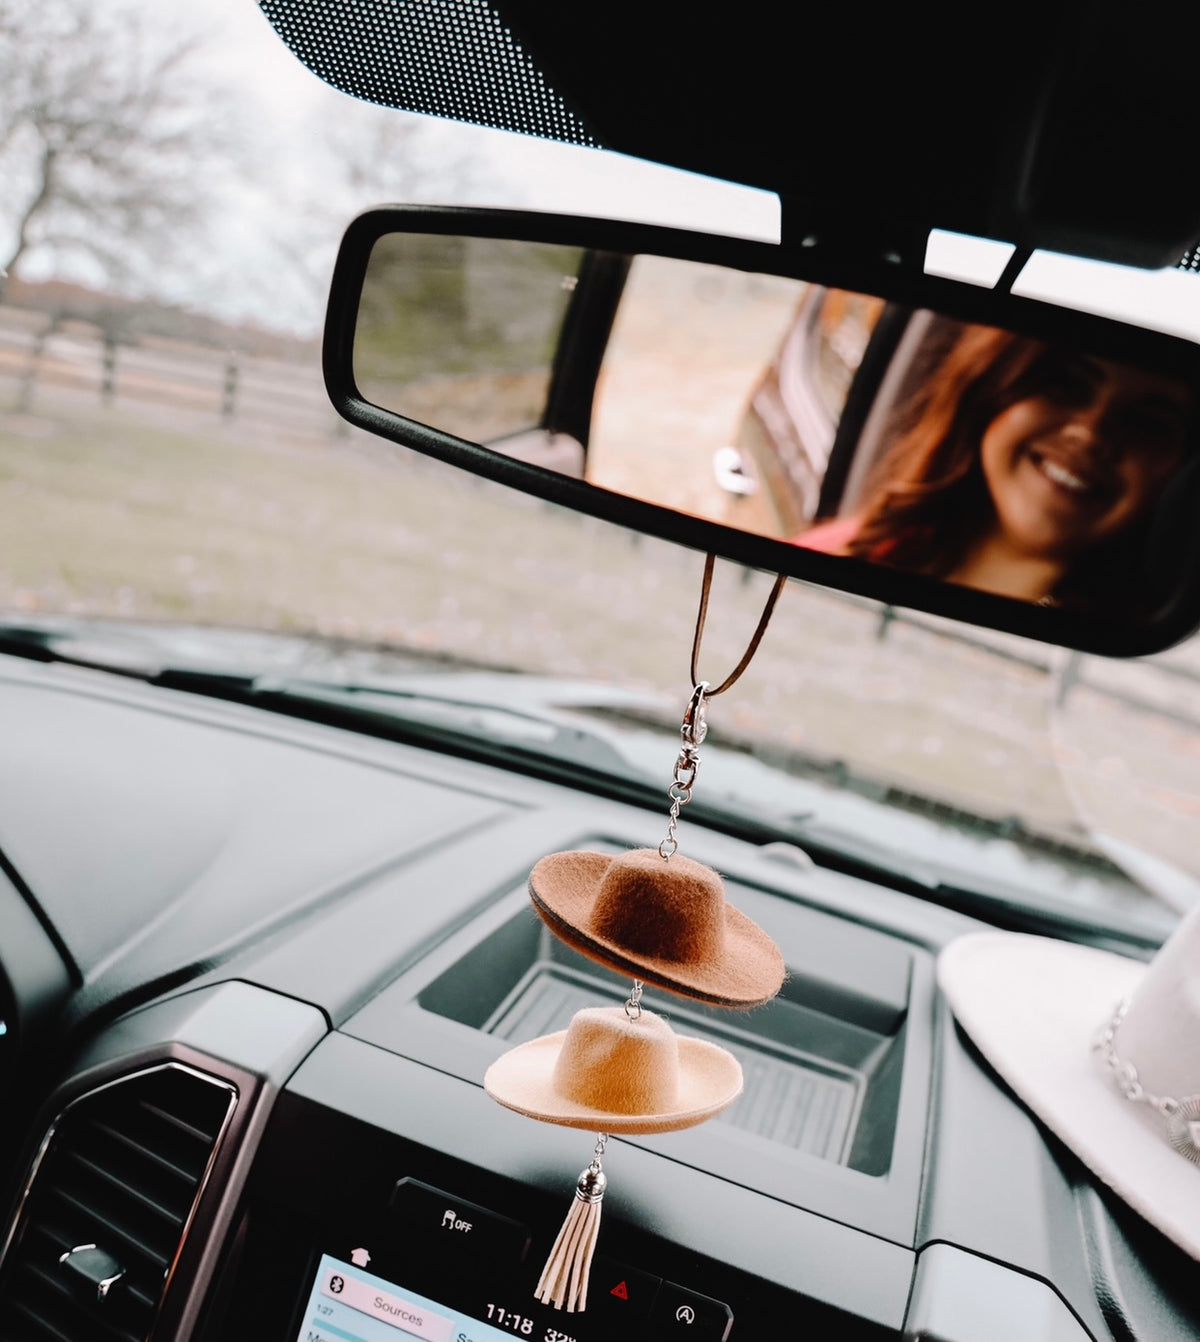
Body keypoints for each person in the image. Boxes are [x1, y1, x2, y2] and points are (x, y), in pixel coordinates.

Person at [797, 323, 1194, 611]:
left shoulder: (1133, 643)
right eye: (1068, 386)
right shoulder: (847, 553)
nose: (1091, 434)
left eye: (1149, 425)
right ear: (993, 395)